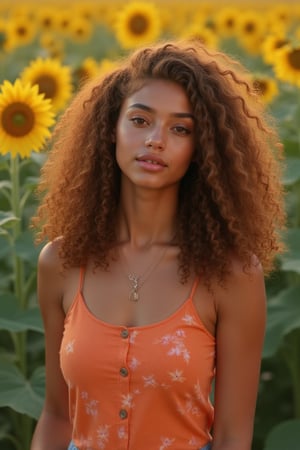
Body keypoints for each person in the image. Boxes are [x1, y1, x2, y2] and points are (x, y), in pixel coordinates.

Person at [30, 39, 285, 450]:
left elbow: (234, 436)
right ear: (111, 129)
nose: (156, 140)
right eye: (140, 120)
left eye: (180, 128)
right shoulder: (61, 262)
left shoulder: (230, 274)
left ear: (201, 150)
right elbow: (58, 416)